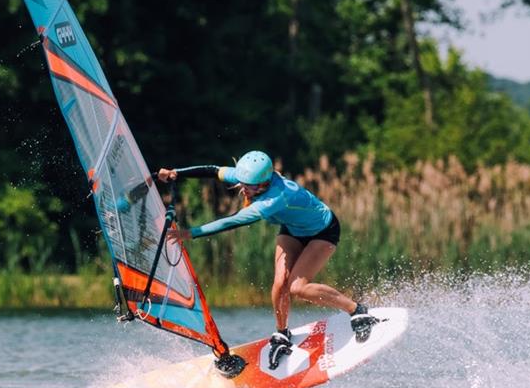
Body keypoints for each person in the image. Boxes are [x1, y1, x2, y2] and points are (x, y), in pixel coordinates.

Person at [158, 150, 377, 374]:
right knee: (280, 282)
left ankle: (356, 310)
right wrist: (177, 172)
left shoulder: (275, 197)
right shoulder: (251, 177)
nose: (243, 188)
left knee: (298, 288)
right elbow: (214, 171)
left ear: (263, 185)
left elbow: (233, 221)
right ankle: (282, 333)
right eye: (242, 182)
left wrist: (191, 233)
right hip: (292, 229)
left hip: (323, 231)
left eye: (248, 186)